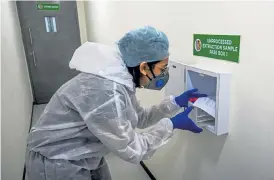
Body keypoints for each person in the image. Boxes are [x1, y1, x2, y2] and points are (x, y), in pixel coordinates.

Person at [26, 26, 206, 180]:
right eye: (162, 69)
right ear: (143, 67)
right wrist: (171, 125)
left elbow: (139, 117)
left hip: (85, 153)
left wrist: (174, 103)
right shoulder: (107, 91)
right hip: (57, 160)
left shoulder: (120, 80)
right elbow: (132, 148)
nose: (163, 75)